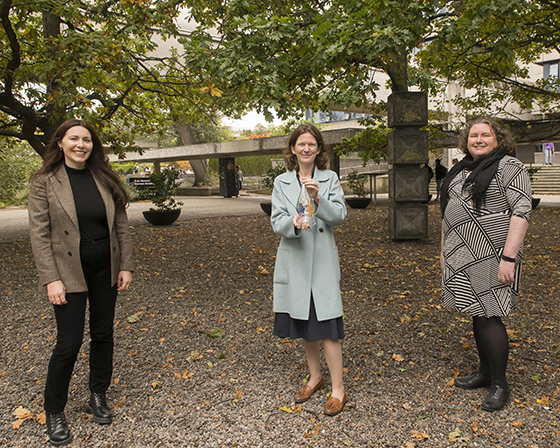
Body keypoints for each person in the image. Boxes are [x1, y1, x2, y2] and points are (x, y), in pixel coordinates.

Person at [28, 119, 134, 446]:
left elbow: (121, 225)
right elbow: (40, 235)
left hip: (106, 267)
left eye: (86, 139)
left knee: (103, 334)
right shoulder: (44, 182)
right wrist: (51, 279)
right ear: (60, 142)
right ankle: (54, 410)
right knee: (69, 342)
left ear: (93, 145)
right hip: (67, 271)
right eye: (73, 138)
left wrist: (125, 265)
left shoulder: (104, 177)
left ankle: (97, 395)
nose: (80, 144)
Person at [440, 117, 531, 412]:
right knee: (475, 312)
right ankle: (485, 373)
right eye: (473, 135)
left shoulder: (509, 167)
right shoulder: (461, 169)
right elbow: (448, 213)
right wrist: (444, 253)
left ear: (498, 139)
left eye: (485, 135)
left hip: (491, 253)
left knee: (489, 315)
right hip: (460, 254)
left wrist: (509, 257)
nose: (478, 140)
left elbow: (521, 212)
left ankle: (500, 384)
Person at [271, 124, 348, 416]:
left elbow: (339, 216)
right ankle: (315, 378)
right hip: (296, 260)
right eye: (301, 144)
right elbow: (276, 221)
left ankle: (337, 388)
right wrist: (292, 222)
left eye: (311, 144)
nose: (306, 149)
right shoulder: (281, 182)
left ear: (318, 149)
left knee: (328, 327)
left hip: (323, 264)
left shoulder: (330, 179)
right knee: (305, 324)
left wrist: (318, 199)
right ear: (293, 149)